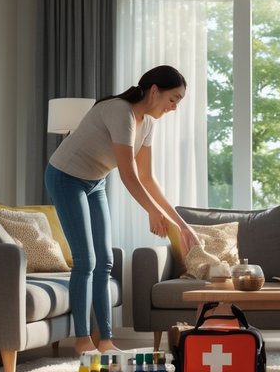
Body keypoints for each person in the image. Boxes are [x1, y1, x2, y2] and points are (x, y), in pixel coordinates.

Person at [45, 65, 199, 354]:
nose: (174, 108)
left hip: (95, 182)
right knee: (85, 259)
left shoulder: (148, 124)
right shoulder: (120, 111)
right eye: (173, 99)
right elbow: (128, 175)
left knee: (104, 261)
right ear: (155, 91)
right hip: (65, 177)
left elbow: (147, 178)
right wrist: (153, 213)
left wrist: (181, 224)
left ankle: (105, 342)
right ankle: (82, 342)